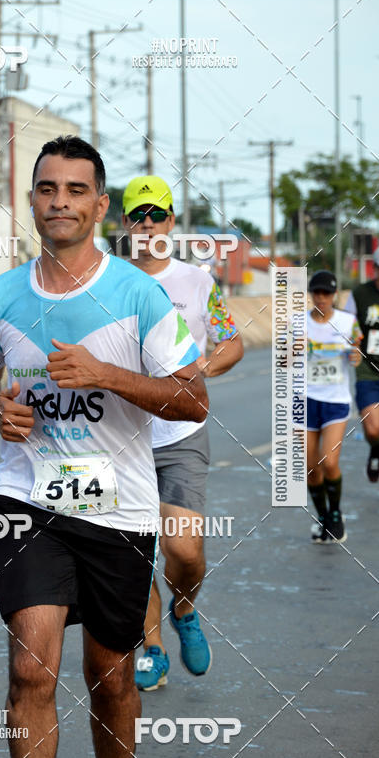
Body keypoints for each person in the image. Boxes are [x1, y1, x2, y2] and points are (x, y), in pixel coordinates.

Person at [0, 136, 208, 758]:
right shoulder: (2, 294)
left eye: (75, 190)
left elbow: (192, 400)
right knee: (32, 667)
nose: (59, 201)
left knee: (112, 675)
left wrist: (107, 374)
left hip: (117, 508)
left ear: (100, 206)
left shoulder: (136, 294)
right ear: (32, 200)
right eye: (47, 189)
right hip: (27, 500)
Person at [122, 176, 243, 691]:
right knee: (134, 552)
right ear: (124, 224)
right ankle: (151, 648)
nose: (147, 224)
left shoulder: (197, 282)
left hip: (179, 436)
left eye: (157, 215)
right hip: (118, 437)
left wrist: (204, 368)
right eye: (137, 216)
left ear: (172, 222)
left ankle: (185, 609)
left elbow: (231, 339)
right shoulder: (107, 281)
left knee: (185, 550)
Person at [306, 270, 362, 542]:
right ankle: (322, 516)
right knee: (309, 467)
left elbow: (358, 350)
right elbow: (283, 360)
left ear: (335, 295)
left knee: (329, 462)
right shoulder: (297, 322)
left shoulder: (348, 321)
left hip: (335, 400)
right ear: (311, 294)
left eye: (327, 293)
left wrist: (355, 356)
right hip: (304, 399)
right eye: (317, 292)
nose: (322, 298)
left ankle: (336, 513)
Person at [345, 247, 379, 482]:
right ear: (375, 269)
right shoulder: (360, 294)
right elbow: (346, 325)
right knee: (373, 429)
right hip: (369, 367)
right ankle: (376, 450)